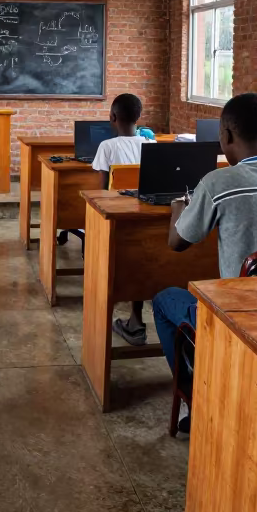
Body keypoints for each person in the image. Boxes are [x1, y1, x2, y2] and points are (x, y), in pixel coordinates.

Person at [152, 93, 257, 377]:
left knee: (163, 300)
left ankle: (197, 392)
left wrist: (178, 208)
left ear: (226, 135)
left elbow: (176, 243)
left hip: (237, 318)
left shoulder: (217, 182)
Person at [90, 93, 154, 347]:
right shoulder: (151, 145)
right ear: (139, 118)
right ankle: (135, 316)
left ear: (112, 117)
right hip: (145, 217)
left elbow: (102, 193)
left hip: (118, 219)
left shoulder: (107, 147)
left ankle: (129, 317)